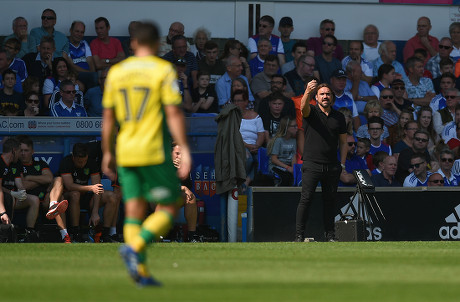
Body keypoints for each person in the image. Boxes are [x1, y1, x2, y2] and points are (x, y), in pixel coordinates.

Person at [101, 21, 191, 287]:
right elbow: (174, 111)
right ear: (157, 44)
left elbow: (108, 117)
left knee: (133, 210)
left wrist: (107, 151)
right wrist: (184, 148)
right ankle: (135, 247)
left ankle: (138, 272)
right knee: (174, 202)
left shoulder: (117, 72)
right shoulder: (163, 70)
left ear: (133, 43)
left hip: (126, 152)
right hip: (153, 151)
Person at [295, 80, 347, 242]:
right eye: (322, 94)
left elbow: (344, 142)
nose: (325, 96)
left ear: (332, 97)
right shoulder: (311, 111)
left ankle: (330, 236)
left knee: (330, 202)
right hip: (312, 164)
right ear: (316, 97)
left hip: (332, 166)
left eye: (328, 94)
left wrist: (342, 164)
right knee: (306, 199)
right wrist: (307, 92)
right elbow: (303, 108)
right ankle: (299, 235)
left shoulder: (339, 117)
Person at [59, 143, 119, 242]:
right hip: (68, 198)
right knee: (75, 194)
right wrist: (90, 188)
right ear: (73, 157)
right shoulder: (66, 162)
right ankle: (75, 232)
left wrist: (95, 212)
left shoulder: (91, 163)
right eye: (79, 161)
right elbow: (69, 186)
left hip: (86, 197)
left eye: (84, 161)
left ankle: (105, 234)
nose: (82, 164)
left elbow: (97, 187)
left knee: (112, 196)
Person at [17, 135, 70, 243]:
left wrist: (29, 177)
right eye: (21, 150)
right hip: (28, 199)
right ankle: (62, 230)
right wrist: (41, 180)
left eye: (26, 150)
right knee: (61, 196)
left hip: (46, 200)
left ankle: (54, 206)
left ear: (32, 151)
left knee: (58, 179)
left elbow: (49, 178)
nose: (23, 153)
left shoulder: (40, 164)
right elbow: (24, 185)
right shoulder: (16, 165)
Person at [0, 138, 40, 242]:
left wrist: (21, 192)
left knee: (34, 199)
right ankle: (6, 230)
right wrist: (12, 193)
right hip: (4, 199)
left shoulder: (16, 163)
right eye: (19, 151)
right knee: (9, 198)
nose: (20, 155)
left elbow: (19, 183)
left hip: (12, 197)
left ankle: (29, 233)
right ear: (13, 151)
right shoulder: (0, 162)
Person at [232, 89, 264, 191]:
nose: (237, 103)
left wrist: (257, 146)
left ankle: (246, 181)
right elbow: (234, 136)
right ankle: (241, 181)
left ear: (246, 102)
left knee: (261, 159)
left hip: (254, 146)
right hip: (239, 146)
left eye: (239, 100)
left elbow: (261, 134)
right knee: (248, 158)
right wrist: (248, 146)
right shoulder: (232, 116)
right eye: (235, 101)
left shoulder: (255, 116)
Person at [171, 143, 200, 242]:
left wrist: (181, 171)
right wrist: (182, 188)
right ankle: (159, 237)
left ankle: (192, 236)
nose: (179, 157)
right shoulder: (163, 163)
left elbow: (189, 186)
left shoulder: (183, 167)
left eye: (182, 154)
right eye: (177, 153)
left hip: (173, 198)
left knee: (190, 197)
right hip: (155, 198)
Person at [64, 21, 97, 89]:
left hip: (89, 74)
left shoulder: (84, 43)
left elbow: (90, 61)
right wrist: (90, 73)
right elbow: (72, 65)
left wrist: (93, 72)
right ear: (71, 30)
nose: (79, 34)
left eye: (82, 32)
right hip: (76, 74)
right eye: (77, 31)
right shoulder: (66, 44)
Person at [267, 116, 297, 186]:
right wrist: (287, 168)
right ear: (287, 128)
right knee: (285, 177)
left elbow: (293, 157)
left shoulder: (294, 141)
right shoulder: (278, 140)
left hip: (288, 166)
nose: (296, 128)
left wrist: (293, 169)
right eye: (294, 126)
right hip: (276, 166)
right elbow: (274, 159)